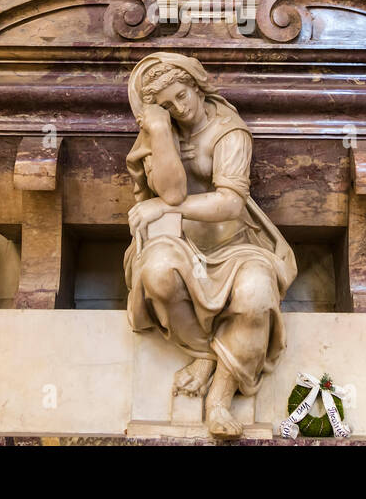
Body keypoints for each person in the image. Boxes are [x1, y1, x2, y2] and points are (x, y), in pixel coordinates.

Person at [124, 53, 296, 439]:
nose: (179, 108)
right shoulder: (159, 131)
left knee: (254, 293)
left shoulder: (229, 131)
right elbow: (171, 192)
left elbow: (230, 203)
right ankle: (204, 354)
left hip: (237, 242)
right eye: (167, 105)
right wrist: (160, 131)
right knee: (156, 273)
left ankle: (220, 396)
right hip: (176, 240)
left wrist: (158, 207)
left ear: (198, 86)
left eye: (182, 96)